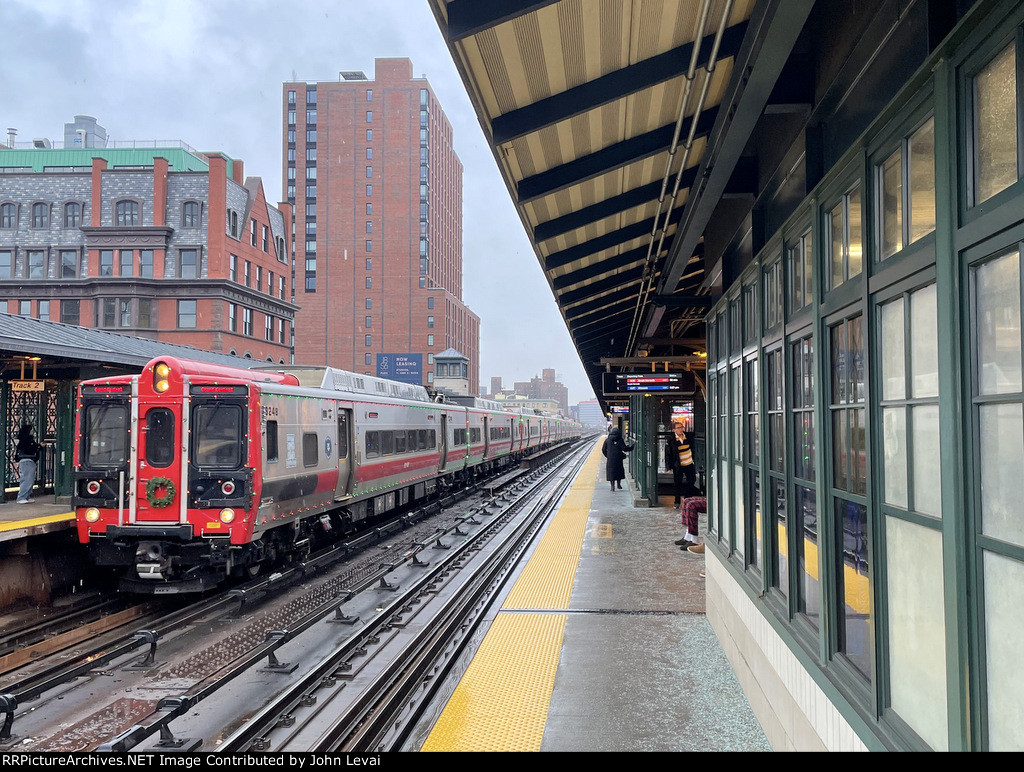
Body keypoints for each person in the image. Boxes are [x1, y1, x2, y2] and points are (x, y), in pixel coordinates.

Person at [666, 419, 698, 507]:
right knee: (677, 483)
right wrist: (668, 467)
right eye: (678, 428)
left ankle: (687, 498)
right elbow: (668, 454)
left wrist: (693, 458)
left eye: (682, 427)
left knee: (692, 480)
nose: (681, 429)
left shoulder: (688, 436)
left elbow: (693, 448)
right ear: (674, 430)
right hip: (679, 465)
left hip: (689, 463)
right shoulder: (671, 440)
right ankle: (677, 502)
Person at [601, 426, 634, 491]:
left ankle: (612, 487)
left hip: (610, 459)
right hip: (618, 458)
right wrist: (631, 448)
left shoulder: (607, 440)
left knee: (611, 471)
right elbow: (624, 448)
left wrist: (607, 455)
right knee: (619, 471)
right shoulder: (620, 439)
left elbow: (603, 449)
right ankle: (618, 484)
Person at [15, 425, 40, 504]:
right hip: (27, 461)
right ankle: (21, 497)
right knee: (27, 479)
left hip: (27, 461)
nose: (32, 432)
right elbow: (30, 449)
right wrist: (38, 447)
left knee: (29, 479)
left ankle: (26, 496)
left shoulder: (24, 440)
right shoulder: (27, 441)